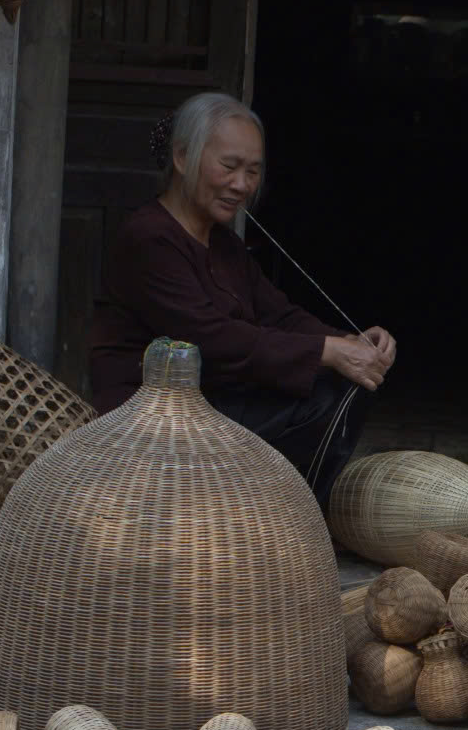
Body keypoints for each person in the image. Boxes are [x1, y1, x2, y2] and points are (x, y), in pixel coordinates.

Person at [87, 91, 396, 505]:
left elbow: (279, 315)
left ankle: (285, 512)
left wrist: (352, 342)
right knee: (323, 392)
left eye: (253, 171)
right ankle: (278, 512)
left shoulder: (225, 244)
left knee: (347, 381)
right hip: (155, 415)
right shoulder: (149, 238)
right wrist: (328, 350)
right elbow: (209, 339)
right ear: (182, 158)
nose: (242, 185)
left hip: (215, 397)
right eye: (229, 167)